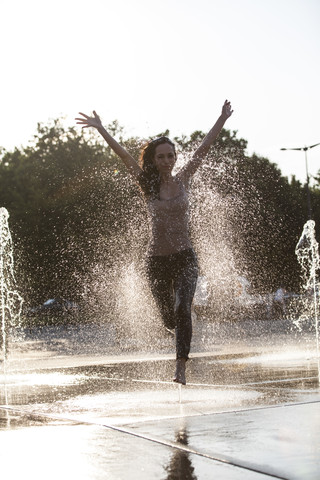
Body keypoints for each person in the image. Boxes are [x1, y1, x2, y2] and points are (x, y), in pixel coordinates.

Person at [76, 100, 233, 384]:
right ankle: (182, 326)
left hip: (185, 256)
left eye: (170, 156)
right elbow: (124, 156)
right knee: (168, 319)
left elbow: (204, 149)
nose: (166, 161)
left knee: (181, 307)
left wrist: (221, 119)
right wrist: (101, 129)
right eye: (160, 157)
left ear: (175, 158)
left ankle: (180, 368)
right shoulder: (146, 185)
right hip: (156, 261)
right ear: (153, 159)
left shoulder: (184, 179)